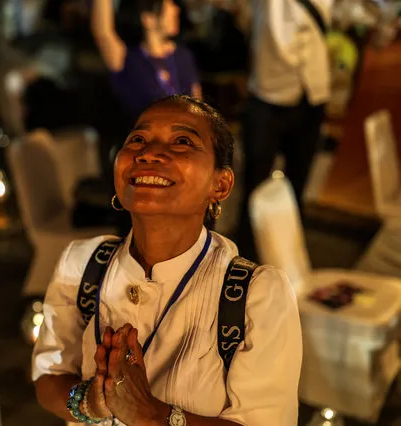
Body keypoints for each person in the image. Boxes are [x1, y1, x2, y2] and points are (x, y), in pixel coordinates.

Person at [32, 95, 302, 425]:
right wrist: (91, 401)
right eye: (138, 140)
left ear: (221, 184)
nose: (148, 153)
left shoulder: (254, 297)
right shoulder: (84, 265)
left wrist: (150, 414)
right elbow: (49, 378)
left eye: (182, 141)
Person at [235, 0, 332, 259]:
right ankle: (244, 257)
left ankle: (290, 259)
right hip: (269, 91)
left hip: (312, 91)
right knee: (255, 183)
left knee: (298, 182)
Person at [91, 0, 202, 126]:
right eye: (168, 6)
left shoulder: (183, 56)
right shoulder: (129, 60)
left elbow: (198, 106)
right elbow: (103, 34)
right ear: (148, 19)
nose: (176, 10)